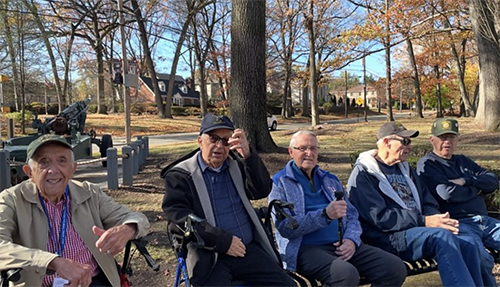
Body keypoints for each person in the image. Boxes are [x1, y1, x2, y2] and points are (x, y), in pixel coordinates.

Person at [161, 113, 296, 287]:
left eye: (225, 140)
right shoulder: (181, 175)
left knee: (287, 285)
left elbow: (261, 190)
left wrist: (248, 155)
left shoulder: (236, 165)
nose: (219, 146)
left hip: (246, 249)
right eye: (213, 138)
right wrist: (223, 241)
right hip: (210, 255)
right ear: (200, 141)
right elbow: (177, 215)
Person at [347, 121, 485, 287]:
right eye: (404, 141)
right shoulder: (364, 174)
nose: (409, 146)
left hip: (417, 231)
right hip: (387, 238)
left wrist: (434, 217)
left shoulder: (406, 169)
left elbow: (427, 200)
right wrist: (424, 221)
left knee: (467, 241)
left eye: (410, 142)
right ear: (386, 143)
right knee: (443, 238)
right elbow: (381, 218)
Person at [0, 134, 150, 287]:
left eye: (62, 161)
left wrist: (128, 228)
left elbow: (137, 218)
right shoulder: (11, 199)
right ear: (29, 172)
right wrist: (52, 261)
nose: (53, 170)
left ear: (73, 169)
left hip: (92, 282)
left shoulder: (89, 193)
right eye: (44, 162)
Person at [269, 130, 407, 287]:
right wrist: (324, 215)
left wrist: (352, 241)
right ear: (291, 152)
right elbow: (286, 228)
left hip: (342, 244)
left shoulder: (330, 179)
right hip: (306, 249)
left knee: (394, 268)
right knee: (345, 275)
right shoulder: (279, 183)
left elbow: (352, 215)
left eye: (313, 148)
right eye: (303, 148)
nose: (309, 153)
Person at [417, 118, 500, 287]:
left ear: (457, 139)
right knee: (481, 258)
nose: (447, 142)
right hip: (459, 224)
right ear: (432, 140)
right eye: (442, 138)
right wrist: (477, 188)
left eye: (451, 137)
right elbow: (446, 194)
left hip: (486, 222)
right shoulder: (428, 164)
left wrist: (464, 181)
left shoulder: (462, 161)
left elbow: (493, 181)